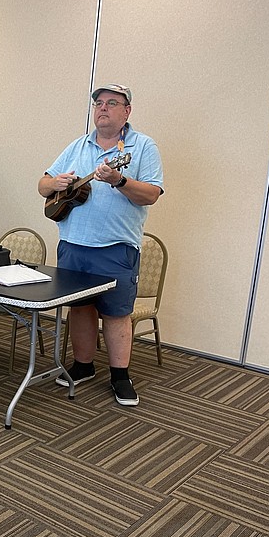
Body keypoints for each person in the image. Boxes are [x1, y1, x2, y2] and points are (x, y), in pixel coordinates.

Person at [38, 83, 163, 406]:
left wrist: (119, 180)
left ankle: (120, 376)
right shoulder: (78, 146)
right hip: (73, 245)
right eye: (98, 103)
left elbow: (151, 194)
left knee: (116, 313)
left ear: (127, 111)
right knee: (80, 309)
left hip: (115, 248)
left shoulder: (142, 146)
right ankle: (83, 365)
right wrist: (55, 183)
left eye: (111, 102)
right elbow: (43, 185)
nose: (103, 108)